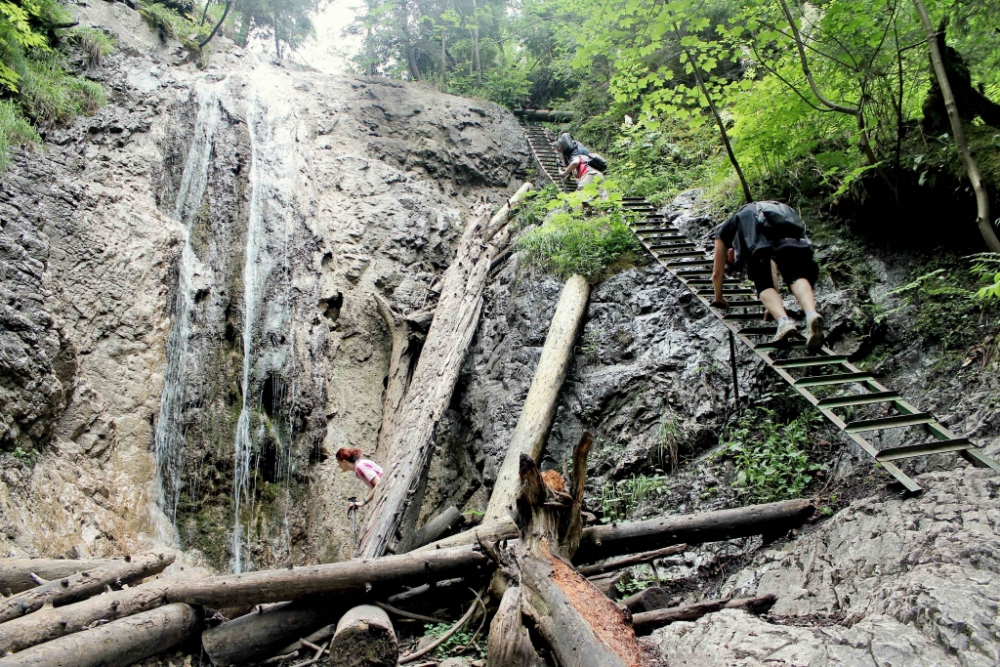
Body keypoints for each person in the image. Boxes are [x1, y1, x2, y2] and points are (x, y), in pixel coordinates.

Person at [711, 201, 825, 351]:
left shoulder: (726, 230)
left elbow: (716, 273)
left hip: (762, 239)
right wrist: (773, 305)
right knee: (795, 275)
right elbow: (772, 267)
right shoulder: (765, 210)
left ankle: (784, 322)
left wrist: (718, 297)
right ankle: (811, 313)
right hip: (791, 235)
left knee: (762, 283)